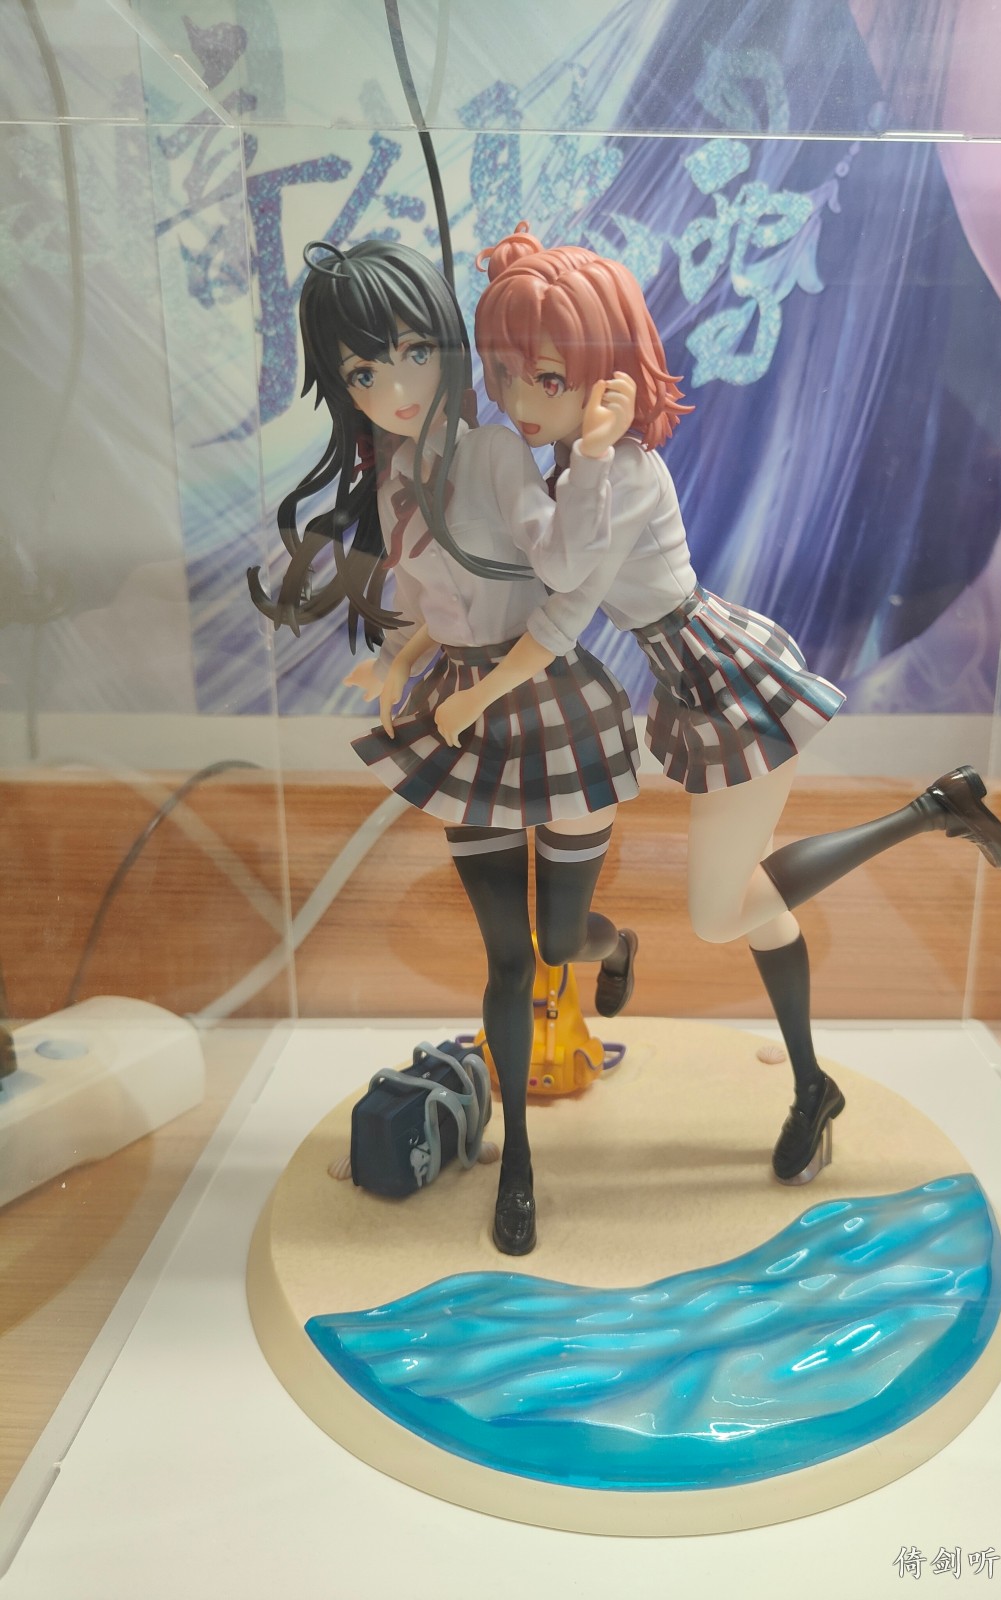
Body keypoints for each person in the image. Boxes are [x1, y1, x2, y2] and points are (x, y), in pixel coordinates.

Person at [434, 224, 1001, 1190]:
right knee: (753, 903)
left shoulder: (619, 472)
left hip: (729, 680)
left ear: (609, 375)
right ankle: (813, 1086)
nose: (520, 402)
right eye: (504, 375)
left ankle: (931, 811)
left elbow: (564, 609)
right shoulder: (580, 468)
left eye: (547, 378)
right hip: (692, 683)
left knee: (720, 913)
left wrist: (478, 697)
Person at [248, 238, 641, 1255]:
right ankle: (518, 1166)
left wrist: (595, 457)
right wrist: (400, 661)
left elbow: (561, 564)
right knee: (506, 960)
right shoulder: (392, 482)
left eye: (415, 353)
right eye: (363, 373)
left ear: (449, 348)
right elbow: (438, 600)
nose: (395, 389)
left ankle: (615, 947)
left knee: (559, 938)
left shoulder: (496, 453)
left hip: (548, 700)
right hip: (463, 713)